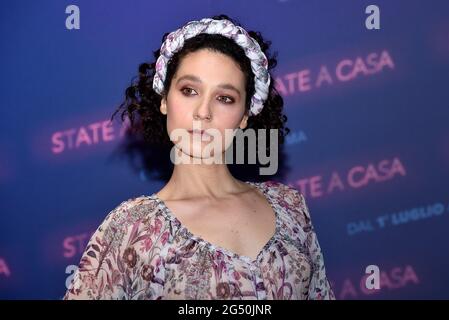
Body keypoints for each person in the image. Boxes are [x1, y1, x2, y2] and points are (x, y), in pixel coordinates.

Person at [63, 14, 334, 300]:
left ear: (244, 116)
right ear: (165, 99)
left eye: (224, 98)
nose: (203, 112)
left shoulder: (290, 207)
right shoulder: (134, 228)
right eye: (189, 91)